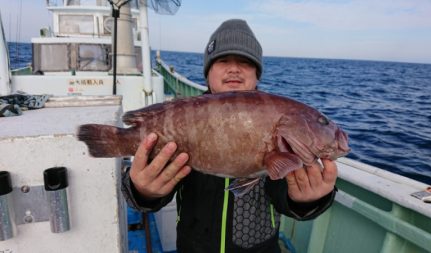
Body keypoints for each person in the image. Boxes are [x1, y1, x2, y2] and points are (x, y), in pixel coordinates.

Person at [122, 19, 338, 253]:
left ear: (257, 75)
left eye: (245, 62)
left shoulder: (282, 124)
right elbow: (153, 193)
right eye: (223, 61)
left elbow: (285, 196)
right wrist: (143, 191)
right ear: (207, 74)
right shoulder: (183, 116)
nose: (234, 68)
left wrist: (308, 200)